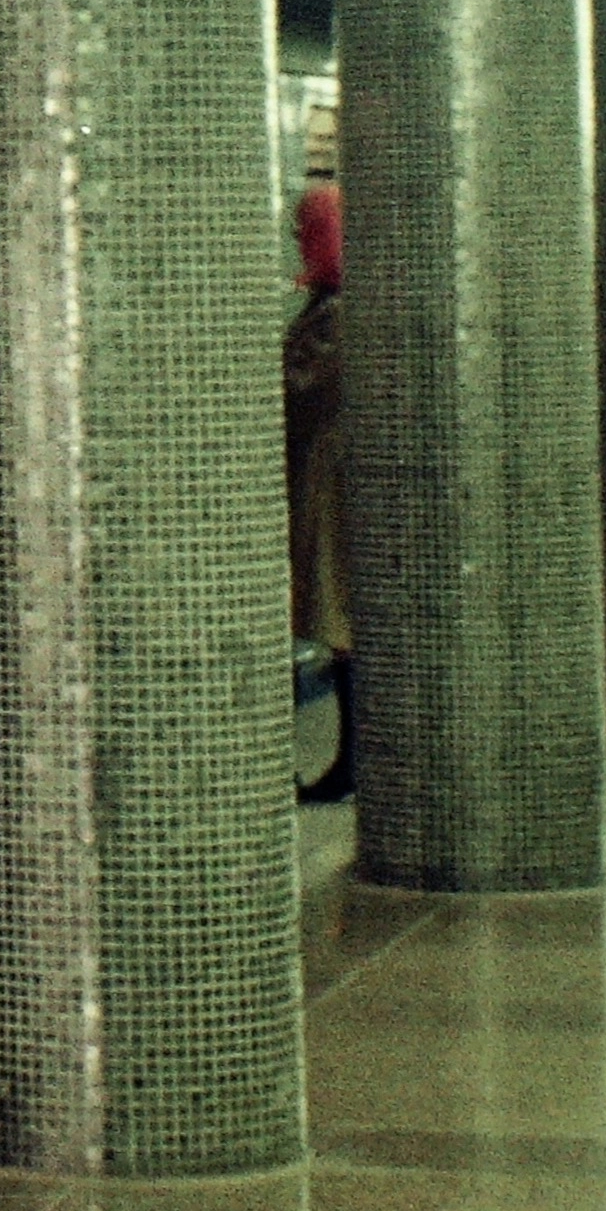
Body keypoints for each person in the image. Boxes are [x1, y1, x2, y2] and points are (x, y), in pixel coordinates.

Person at [284, 181, 354, 803]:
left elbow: (301, 394)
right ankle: (353, 760)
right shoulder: (334, 304)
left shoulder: (336, 313)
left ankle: (352, 763)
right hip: (337, 477)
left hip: (333, 484)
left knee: (343, 627)